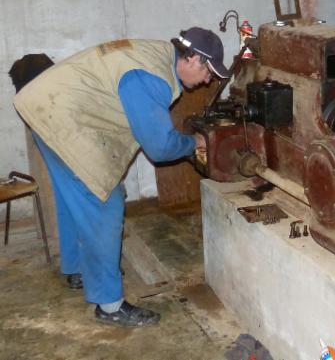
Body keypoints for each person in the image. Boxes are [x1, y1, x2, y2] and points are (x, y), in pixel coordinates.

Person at [13, 27, 230, 327]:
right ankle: (110, 305)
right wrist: (196, 142)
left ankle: (76, 269)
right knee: (104, 201)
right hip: (62, 116)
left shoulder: (158, 54)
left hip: (44, 107)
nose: (207, 80)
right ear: (192, 58)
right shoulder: (151, 77)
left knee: (72, 196)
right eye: (208, 71)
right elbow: (160, 147)